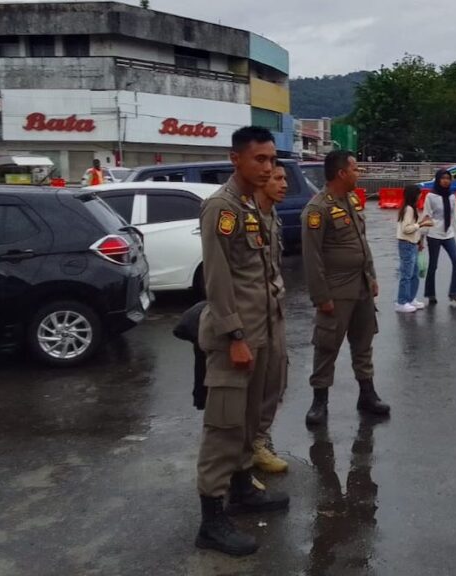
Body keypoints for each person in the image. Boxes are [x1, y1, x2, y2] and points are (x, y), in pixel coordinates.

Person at [194, 126, 289, 557]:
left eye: (271, 159)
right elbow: (217, 279)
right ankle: (212, 520)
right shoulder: (223, 207)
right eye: (260, 160)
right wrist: (234, 335)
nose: (268, 167)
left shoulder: (255, 205)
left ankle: (242, 489)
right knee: (225, 426)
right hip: (237, 336)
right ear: (236, 159)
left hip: (264, 333)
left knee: (250, 421)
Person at [302, 150, 390, 428]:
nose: (358, 173)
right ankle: (319, 401)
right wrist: (321, 297)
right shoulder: (318, 209)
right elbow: (312, 258)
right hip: (336, 289)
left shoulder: (350, 201)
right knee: (327, 345)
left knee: (363, 342)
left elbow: (362, 243)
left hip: (361, 285)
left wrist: (372, 276)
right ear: (341, 173)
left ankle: (367, 394)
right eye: (355, 169)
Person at [252, 164, 290, 475]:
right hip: (250, 317)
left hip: (273, 308)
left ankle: (259, 440)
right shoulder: (240, 214)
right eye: (278, 178)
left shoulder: (272, 217)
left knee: (276, 379)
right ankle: (249, 451)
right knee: (251, 387)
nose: (284, 184)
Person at [421, 168, 456, 306]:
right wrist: (421, 237)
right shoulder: (431, 196)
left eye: (448, 178)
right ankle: (430, 294)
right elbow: (426, 215)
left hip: (448, 233)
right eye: (443, 178)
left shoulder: (452, 196)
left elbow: (455, 216)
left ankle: (454, 293)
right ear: (438, 179)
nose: (446, 181)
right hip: (434, 233)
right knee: (433, 265)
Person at [396, 184, 433, 313]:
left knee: (414, 273)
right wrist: (421, 224)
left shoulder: (411, 208)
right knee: (407, 274)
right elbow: (406, 229)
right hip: (406, 244)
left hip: (412, 243)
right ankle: (401, 301)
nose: (420, 196)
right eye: (419, 194)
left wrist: (419, 241)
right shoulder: (409, 210)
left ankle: (410, 298)